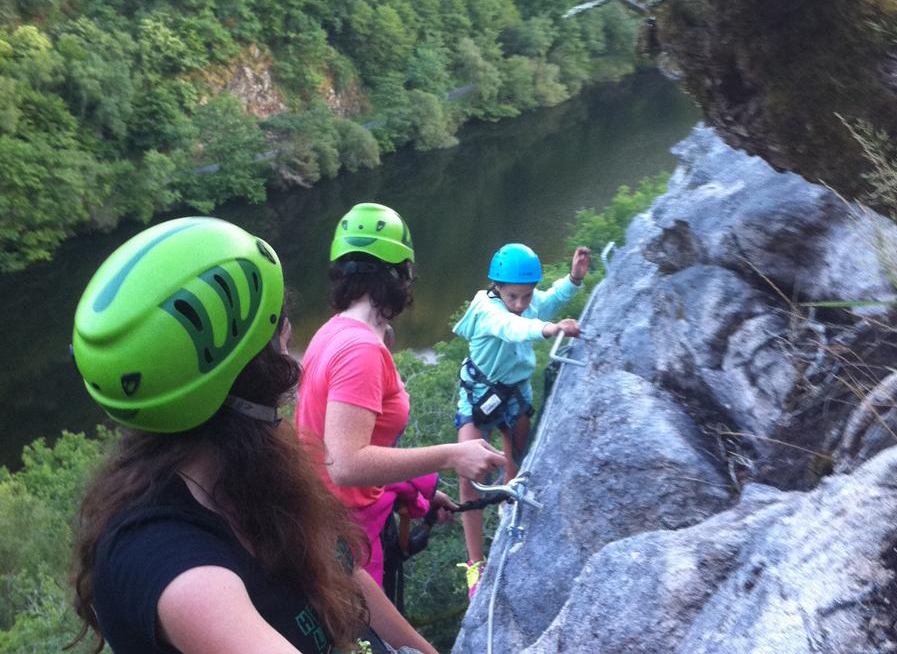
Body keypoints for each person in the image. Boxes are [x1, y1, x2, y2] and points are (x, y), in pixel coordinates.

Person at [68, 216, 437, 654]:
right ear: (253, 372)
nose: (288, 338)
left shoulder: (253, 473)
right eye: (279, 328)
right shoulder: (168, 565)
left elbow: (342, 572)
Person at [295, 202, 504, 590]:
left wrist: (421, 491)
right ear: (397, 276)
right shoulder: (361, 350)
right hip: (352, 539)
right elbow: (345, 464)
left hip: (331, 519)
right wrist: (452, 455)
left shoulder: (332, 331)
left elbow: (329, 451)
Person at [451, 242, 590, 597]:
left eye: (526, 296)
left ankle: (507, 515)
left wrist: (574, 279)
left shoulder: (528, 301)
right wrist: (548, 329)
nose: (522, 304)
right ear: (497, 287)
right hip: (480, 393)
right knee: (469, 475)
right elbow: (510, 326)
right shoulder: (487, 309)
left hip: (514, 394)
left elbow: (550, 300)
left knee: (516, 463)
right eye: (514, 296)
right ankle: (475, 564)